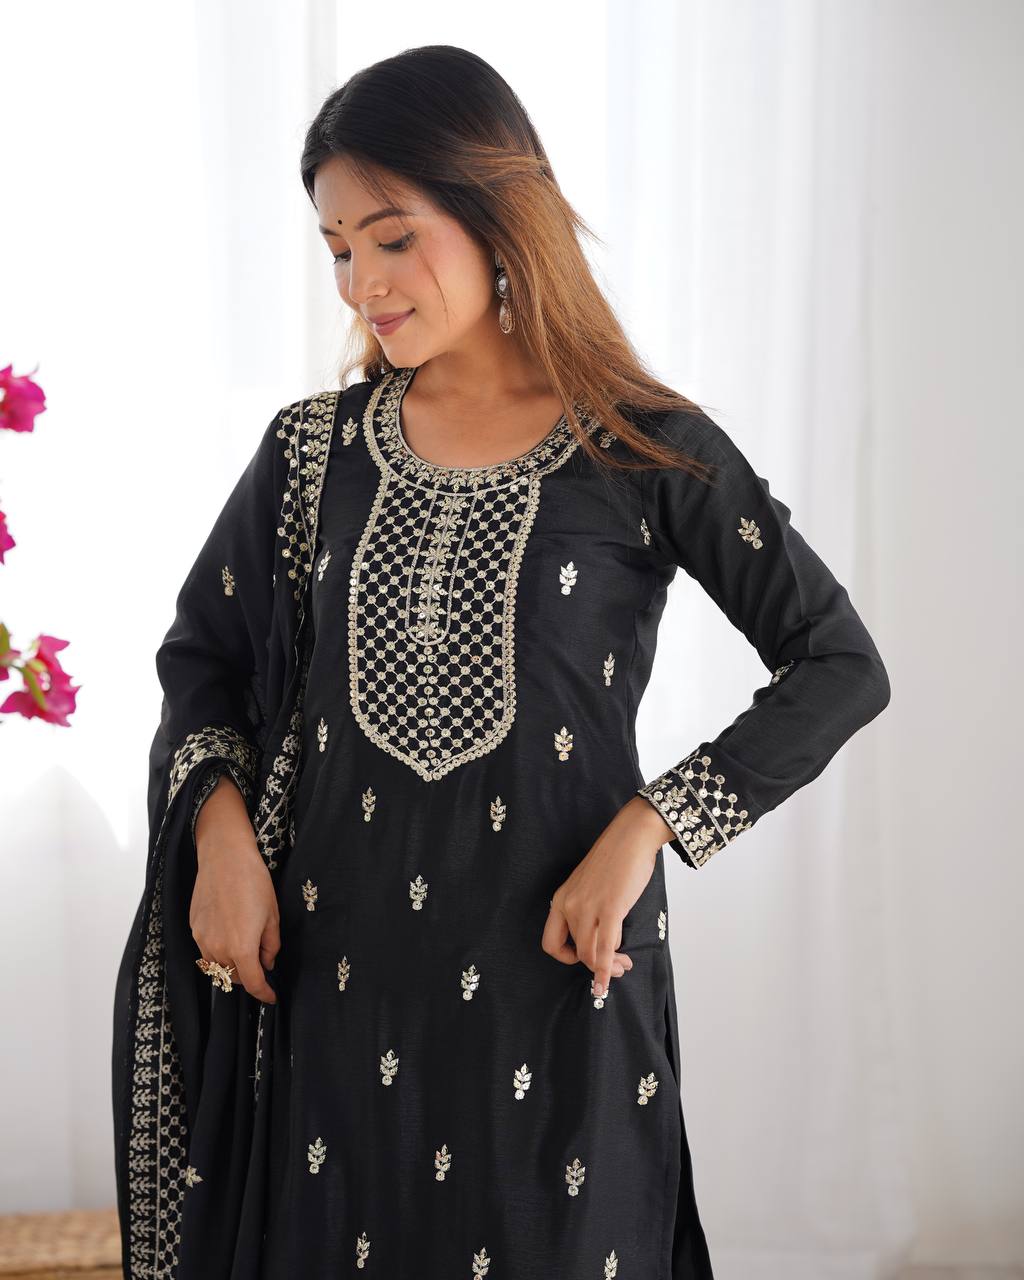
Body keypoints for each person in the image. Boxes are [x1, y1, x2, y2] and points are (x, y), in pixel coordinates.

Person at [111, 44, 891, 1280]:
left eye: (390, 237)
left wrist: (649, 825)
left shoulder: (643, 446)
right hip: (336, 991)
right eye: (336, 248)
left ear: (494, 214)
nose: (362, 281)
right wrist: (220, 840)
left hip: (559, 981)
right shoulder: (311, 454)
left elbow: (839, 662)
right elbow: (202, 655)